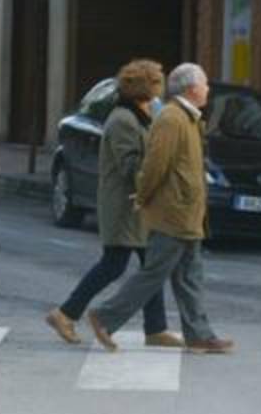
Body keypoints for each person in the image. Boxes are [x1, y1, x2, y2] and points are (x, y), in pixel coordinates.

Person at [86, 63, 234, 354]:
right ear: (192, 89)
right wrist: (143, 195)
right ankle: (104, 317)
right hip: (172, 213)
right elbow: (155, 165)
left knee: (190, 277)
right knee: (153, 273)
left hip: (187, 214)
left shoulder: (188, 118)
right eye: (204, 85)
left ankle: (199, 335)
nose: (208, 90)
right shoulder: (172, 119)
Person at [45, 59, 183, 348]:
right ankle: (65, 313)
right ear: (145, 90)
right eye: (156, 86)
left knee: (150, 265)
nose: (160, 94)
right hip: (124, 206)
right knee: (114, 265)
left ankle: (155, 328)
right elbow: (129, 165)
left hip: (138, 207)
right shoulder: (123, 120)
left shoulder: (139, 117)